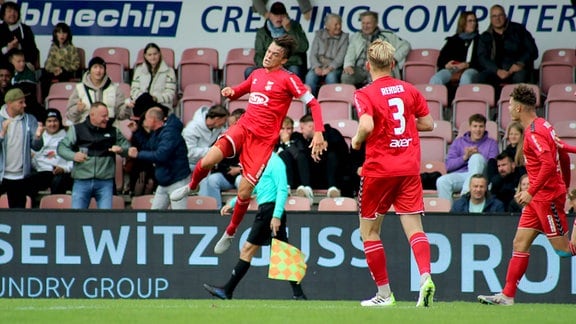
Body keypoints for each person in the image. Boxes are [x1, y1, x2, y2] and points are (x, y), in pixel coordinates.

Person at [170, 35, 326, 256]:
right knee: (208, 160)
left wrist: (319, 131)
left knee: (244, 191)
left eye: (274, 54)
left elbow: (313, 103)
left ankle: (230, 231)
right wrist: (231, 92)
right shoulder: (256, 74)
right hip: (243, 129)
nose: (268, 56)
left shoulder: (289, 79)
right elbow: (241, 89)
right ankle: (192, 185)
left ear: (283, 60)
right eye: (268, 51)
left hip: (262, 143)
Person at [350, 39, 435, 307]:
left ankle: (385, 295)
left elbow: (366, 124)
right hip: (408, 168)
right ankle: (425, 277)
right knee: (414, 228)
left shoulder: (365, 93)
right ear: (393, 63)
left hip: (379, 170)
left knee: (370, 232)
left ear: (367, 65)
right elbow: (430, 123)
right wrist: (404, 128)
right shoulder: (410, 90)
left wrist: (356, 140)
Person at [477, 84, 576, 306]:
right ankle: (507, 296)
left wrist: (530, 191)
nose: (509, 108)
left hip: (546, 198)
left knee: (565, 251)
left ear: (520, 108)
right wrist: (566, 186)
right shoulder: (544, 125)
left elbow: (549, 165)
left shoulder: (533, 134)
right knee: (519, 243)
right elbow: (563, 153)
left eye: (511, 104)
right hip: (539, 199)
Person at [202, 152, 307, 300]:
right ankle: (299, 294)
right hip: (270, 211)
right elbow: (256, 189)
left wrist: (276, 216)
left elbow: (282, 189)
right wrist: (233, 203)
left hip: (269, 211)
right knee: (284, 252)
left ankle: (227, 290)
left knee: (247, 249)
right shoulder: (263, 161)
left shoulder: (276, 162)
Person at [58, 102, 130, 209]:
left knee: (105, 219)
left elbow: (128, 148)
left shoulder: (113, 131)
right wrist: (73, 156)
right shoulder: (77, 129)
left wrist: (121, 150)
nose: (107, 118)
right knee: (77, 217)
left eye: (107, 115)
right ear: (92, 115)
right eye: (103, 116)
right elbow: (61, 148)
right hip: (81, 181)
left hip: (105, 182)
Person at [127, 106, 190, 210]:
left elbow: (161, 155)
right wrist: (136, 132)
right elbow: (149, 147)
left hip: (177, 180)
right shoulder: (158, 132)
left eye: (146, 119)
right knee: (155, 215)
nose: (144, 122)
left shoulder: (170, 133)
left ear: (153, 120)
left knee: (179, 216)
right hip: (164, 180)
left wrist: (138, 155)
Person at [436, 113, 499, 203]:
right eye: (475, 126)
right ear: (470, 127)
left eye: (481, 126)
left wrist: (479, 155)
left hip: (482, 176)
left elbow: (493, 166)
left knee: (476, 158)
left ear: (485, 128)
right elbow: (448, 166)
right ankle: (448, 214)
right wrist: (465, 157)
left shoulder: (492, 143)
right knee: (442, 181)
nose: (478, 129)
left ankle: (465, 196)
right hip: (463, 175)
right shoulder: (459, 142)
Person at [476, 5, 538, 92]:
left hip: (516, 70)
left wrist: (520, 63)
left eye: (500, 15)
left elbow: (532, 50)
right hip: (496, 71)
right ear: (490, 18)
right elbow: (482, 58)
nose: (497, 19)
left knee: (520, 77)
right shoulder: (485, 36)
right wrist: (497, 71)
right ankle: (493, 102)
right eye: (494, 16)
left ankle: (515, 104)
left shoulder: (518, 29)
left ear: (505, 16)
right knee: (479, 78)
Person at [342, 11, 411, 88]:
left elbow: (406, 45)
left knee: (386, 78)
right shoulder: (356, 37)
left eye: (368, 23)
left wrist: (393, 58)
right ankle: (352, 99)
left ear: (376, 23)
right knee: (346, 77)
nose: (365, 26)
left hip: (380, 69)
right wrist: (348, 65)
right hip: (360, 70)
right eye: (363, 23)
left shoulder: (387, 35)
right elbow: (350, 53)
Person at [0, 88, 43, 208]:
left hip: (20, 175)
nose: (24, 105)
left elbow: (37, 147)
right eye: (20, 102)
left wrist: (38, 137)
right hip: (1, 174)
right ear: (9, 103)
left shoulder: (30, 119)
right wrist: (2, 134)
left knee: (17, 211)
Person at [245, 2, 309, 80]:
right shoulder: (262, 32)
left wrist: (290, 30)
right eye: (276, 15)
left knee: (294, 71)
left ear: (286, 16)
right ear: (270, 16)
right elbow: (259, 55)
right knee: (249, 71)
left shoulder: (295, 27)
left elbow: (303, 47)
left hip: (289, 64)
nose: (279, 18)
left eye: (282, 15)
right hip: (269, 65)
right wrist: (268, 65)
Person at [294, 114, 350, 201]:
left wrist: (325, 141)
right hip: (310, 175)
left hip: (330, 174)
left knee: (332, 155)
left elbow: (344, 152)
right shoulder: (299, 138)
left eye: (303, 128)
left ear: (312, 126)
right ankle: (306, 188)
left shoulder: (332, 133)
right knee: (301, 156)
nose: (301, 131)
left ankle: (333, 188)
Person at [198, 108, 245, 208]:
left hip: (244, 175)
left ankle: (243, 211)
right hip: (227, 175)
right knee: (212, 180)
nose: (230, 127)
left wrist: (239, 169)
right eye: (230, 124)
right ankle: (217, 211)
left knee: (240, 181)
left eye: (233, 124)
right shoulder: (226, 136)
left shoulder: (251, 138)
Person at [66, 56, 132, 125]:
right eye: (95, 67)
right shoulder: (79, 88)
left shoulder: (115, 88)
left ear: (105, 70)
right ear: (89, 70)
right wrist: (77, 109)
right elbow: (70, 116)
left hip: (109, 127)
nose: (98, 70)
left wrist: (126, 108)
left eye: (101, 67)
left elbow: (121, 116)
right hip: (86, 130)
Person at [29, 109, 73, 202]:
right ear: (45, 123)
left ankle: (56, 211)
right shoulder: (39, 136)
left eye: (55, 121)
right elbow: (32, 156)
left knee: (58, 181)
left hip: (61, 172)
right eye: (49, 121)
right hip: (42, 172)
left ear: (60, 122)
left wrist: (64, 169)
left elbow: (73, 160)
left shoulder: (67, 137)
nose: (52, 124)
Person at [429, 11, 480, 86]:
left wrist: (467, 65)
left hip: (471, 69)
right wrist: (447, 65)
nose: (473, 23)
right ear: (463, 23)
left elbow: (482, 60)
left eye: (474, 21)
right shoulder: (453, 40)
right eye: (470, 21)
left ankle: (463, 97)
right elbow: (441, 60)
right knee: (436, 79)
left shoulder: (480, 40)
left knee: (466, 77)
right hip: (454, 69)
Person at [304, 13, 349, 96]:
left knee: (331, 77)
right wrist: (316, 67)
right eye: (335, 24)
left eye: (340, 24)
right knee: (310, 77)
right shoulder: (319, 35)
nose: (338, 26)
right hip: (319, 66)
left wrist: (329, 68)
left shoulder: (344, 37)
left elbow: (341, 57)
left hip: (334, 68)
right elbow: (313, 54)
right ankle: (309, 105)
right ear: (327, 26)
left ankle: (331, 104)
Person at [128, 43, 177, 117]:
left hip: (161, 106)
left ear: (159, 54)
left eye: (155, 54)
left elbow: (170, 94)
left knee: (146, 98)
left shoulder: (169, 71)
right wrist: (143, 97)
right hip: (142, 104)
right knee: (145, 97)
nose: (153, 57)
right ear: (145, 56)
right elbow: (134, 91)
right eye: (149, 55)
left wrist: (155, 98)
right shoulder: (139, 70)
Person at [40, 22, 80, 101]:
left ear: (68, 34)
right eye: (59, 32)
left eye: (64, 33)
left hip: (66, 72)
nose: (62, 35)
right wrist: (54, 69)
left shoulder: (72, 48)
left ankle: (62, 98)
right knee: (44, 77)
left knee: (63, 75)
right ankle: (46, 100)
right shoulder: (53, 47)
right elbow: (47, 63)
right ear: (56, 34)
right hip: (54, 71)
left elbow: (76, 65)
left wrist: (62, 68)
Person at [182, 104, 229, 170]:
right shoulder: (191, 129)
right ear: (217, 119)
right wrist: (212, 151)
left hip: (207, 162)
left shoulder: (218, 128)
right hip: (191, 164)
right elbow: (190, 152)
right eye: (225, 120)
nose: (225, 123)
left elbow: (227, 133)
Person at [0, 2, 39, 68]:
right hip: (3, 66)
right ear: (3, 15)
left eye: (15, 11)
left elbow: (33, 51)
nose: (12, 14)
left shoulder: (25, 29)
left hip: (23, 65)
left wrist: (19, 46)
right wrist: (7, 48)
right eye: (9, 11)